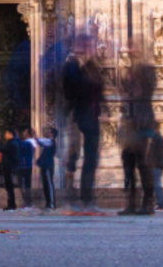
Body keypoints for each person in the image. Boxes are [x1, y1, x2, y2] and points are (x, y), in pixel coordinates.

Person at [61, 37, 105, 209]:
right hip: (82, 116)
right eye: (89, 46)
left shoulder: (89, 67)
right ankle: (80, 195)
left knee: (91, 158)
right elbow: (71, 91)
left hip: (91, 115)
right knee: (78, 155)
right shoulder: (74, 66)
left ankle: (86, 195)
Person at [118, 45, 156, 216]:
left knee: (143, 164)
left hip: (142, 124)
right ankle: (132, 203)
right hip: (130, 124)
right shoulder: (131, 73)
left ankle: (148, 202)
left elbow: (146, 91)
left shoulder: (147, 72)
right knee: (128, 164)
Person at [36, 127, 57, 211]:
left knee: (49, 184)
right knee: (45, 184)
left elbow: (40, 142)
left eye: (49, 131)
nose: (47, 132)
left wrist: (35, 135)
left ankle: (51, 203)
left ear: (52, 134)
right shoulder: (48, 142)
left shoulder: (51, 141)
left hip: (48, 166)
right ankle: (48, 202)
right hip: (45, 165)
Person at [148, 127, 163, 211]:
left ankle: (160, 203)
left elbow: (156, 153)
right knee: (156, 184)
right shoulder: (158, 138)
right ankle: (159, 203)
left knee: (157, 184)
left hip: (156, 165)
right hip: (157, 164)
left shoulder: (157, 139)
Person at [0, 128, 20, 211]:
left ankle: (12, 203)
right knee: (8, 186)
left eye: (6, 133)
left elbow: (2, 149)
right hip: (8, 166)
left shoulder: (12, 143)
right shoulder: (11, 143)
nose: (5, 135)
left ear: (11, 134)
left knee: (9, 186)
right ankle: (10, 203)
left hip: (9, 167)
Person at [15, 126, 36, 208]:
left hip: (24, 165)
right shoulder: (29, 142)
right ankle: (27, 201)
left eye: (25, 132)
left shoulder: (29, 142)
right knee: (24, 184)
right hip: (25, 165)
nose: (23, 133)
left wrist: (16, 136)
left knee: (24, 185)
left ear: (28, 134)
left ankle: (28, 201)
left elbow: (22, 145)